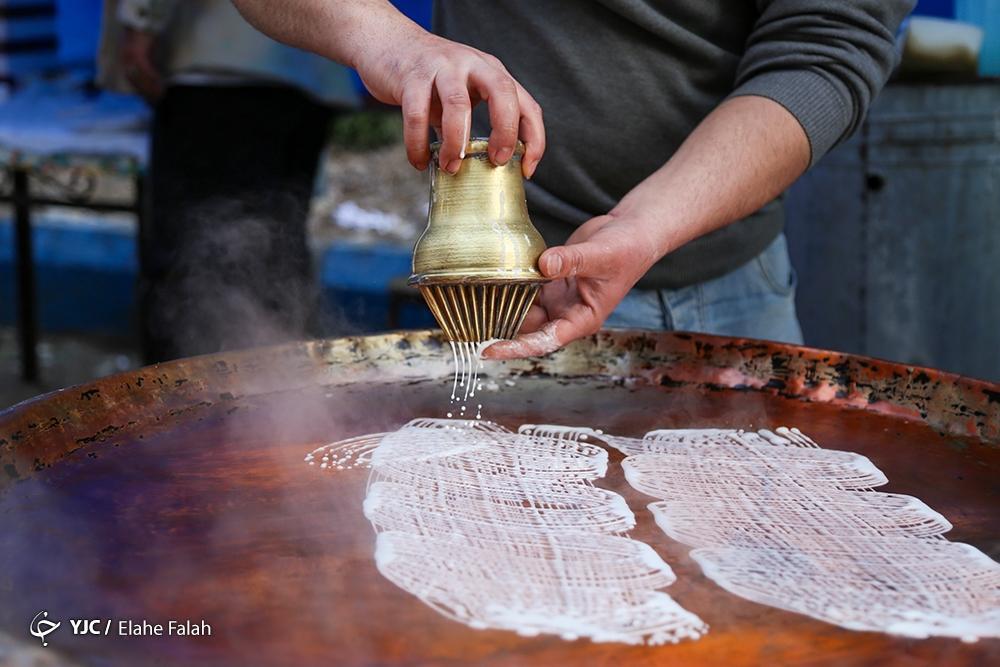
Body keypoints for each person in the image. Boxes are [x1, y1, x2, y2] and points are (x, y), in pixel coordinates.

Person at [231, 0, 913, 359]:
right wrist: (393, 42)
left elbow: (827, 49)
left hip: (736, 294)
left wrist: (648, 226)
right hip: (504, 304)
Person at [98, 0, 359, 362]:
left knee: (195, 265)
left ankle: (188, 409)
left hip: (218, 67)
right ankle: (286, 404)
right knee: (275, 257)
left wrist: (142, 21)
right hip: (311, 67)